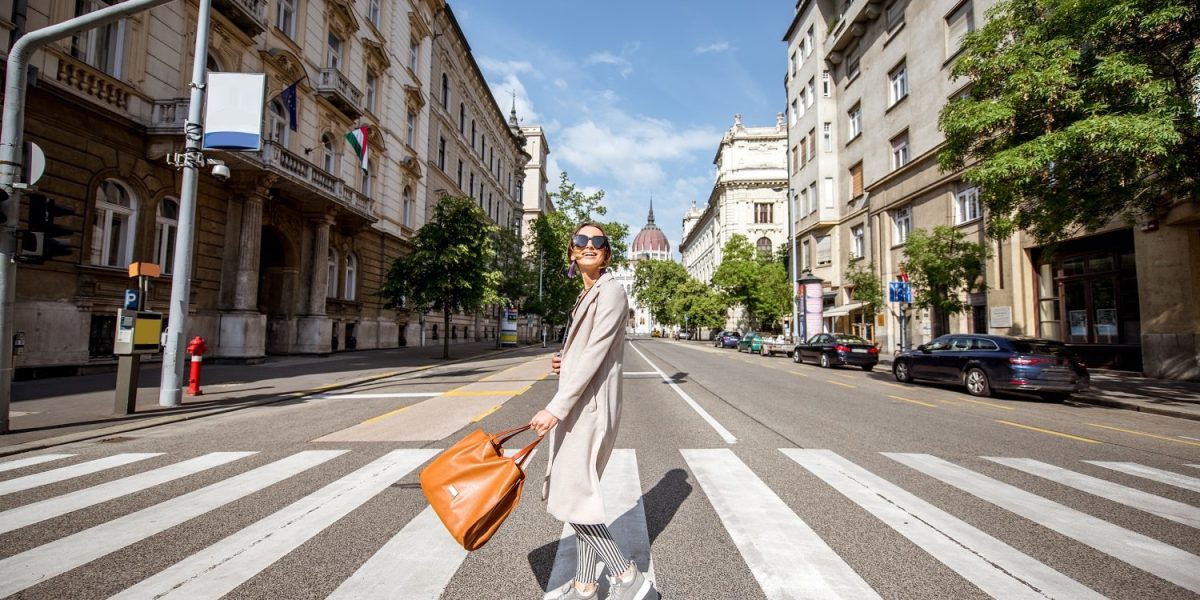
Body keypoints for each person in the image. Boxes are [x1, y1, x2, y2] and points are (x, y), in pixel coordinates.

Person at [529, 223, 656, 600]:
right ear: (571, 252)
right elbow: (585, 354)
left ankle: (626, 577)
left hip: (591, 409)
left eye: (597, 242)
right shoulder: (587, 295)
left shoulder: (611, 290)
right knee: (580, 495)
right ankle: (585, 586)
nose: (588, 246)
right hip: (583, 404)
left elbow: (598, 352)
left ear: (607, 254)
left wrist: (555, 407)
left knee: (570, 493)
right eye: (581, 241)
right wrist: (563, 361)